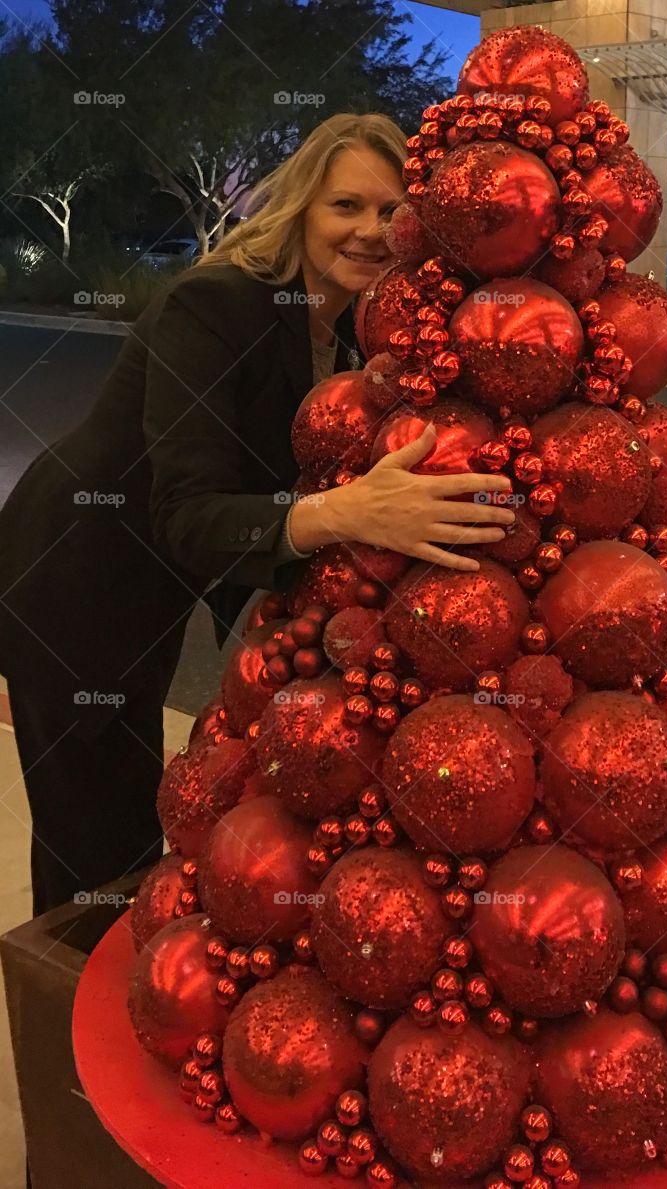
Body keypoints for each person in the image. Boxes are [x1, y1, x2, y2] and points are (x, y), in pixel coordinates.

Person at [0, 112, 516, 918]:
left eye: (392, 213)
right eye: (346, 206)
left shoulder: (348, 325)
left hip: (158, 583)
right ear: (301, 206)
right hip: (79, 572)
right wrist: (349, 512)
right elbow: (188, 512)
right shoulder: (212, 306)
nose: (371, 231)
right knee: (95, 832)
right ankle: (61, 1014)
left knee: (129, 790)